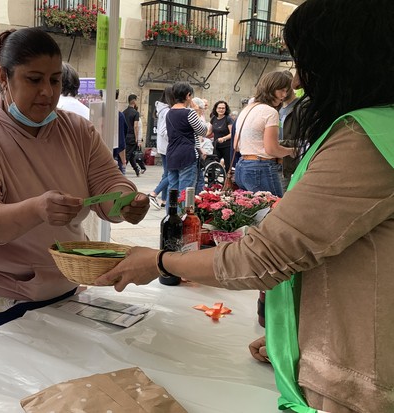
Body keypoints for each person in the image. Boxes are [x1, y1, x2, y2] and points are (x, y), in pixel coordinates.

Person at [96, 0, 394, 411]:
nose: (297, 77)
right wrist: (295, 336)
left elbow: (267, 254)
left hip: (366, 373)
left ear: (341, 59)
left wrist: (160, 262)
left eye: (302, 60)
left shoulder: (366, 138)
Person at [0, 27, 149, 341]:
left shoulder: (78, 130)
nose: (47, 92)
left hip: (60, 280)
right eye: (33, 80)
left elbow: (108, 183)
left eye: (55, 80)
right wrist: (36, 209)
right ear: (4, 78)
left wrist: (125, 201)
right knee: (11, 385)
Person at [233, 71, 294, 197]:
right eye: (281, 90)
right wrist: (291, 151)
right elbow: (272, 149)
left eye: (286, 91)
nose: (284, 95)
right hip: (261, 168)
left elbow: (236, 146)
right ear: (271, 88)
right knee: (272, 211)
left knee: (251, 213)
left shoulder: (247, 109)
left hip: (242, 166)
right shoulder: (270, 112)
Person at [165, 82, 206, 196]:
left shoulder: (169, 113)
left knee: (172, 190)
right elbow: (202, 131)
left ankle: (170, 213)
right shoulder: (189, 112)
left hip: (172, 153)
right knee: (185, 193)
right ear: (188, 96)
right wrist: (198, 113)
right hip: (187, 154)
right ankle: (182, 214)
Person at [147, 86, 174, 209]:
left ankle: (163, 199)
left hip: (164, 146)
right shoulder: (167, 110)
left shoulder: (162, 109)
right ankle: (154, 193)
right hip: (168, 146)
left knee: (167, 173)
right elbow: (163, 130)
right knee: (172, 174)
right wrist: (175, 138)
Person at [124, 93, 146, 177]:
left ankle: (137, 169)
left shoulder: (124, 112)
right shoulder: (135, 113)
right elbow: (136, 126)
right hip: (132, 137)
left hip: (125, 136)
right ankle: (121, 170)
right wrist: (137, 138)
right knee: (128, 155)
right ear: (134, 101)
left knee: (131, 154)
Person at [209, 100, 233, 171]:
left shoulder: (228, 119)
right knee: (213, 164)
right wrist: (201, 136)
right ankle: (212, 181)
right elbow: (209, 132)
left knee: (228, 166)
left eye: (223, 108)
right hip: (217, 146)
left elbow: (232, 133)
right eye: (219, 108)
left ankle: (227, 181)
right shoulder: (213, 118)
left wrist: (224, 138)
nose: (221, 110)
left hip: (227, 146)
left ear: (226, 109)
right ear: (216, 109)